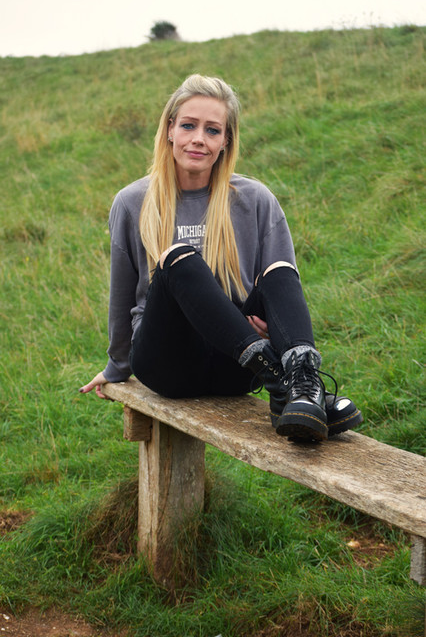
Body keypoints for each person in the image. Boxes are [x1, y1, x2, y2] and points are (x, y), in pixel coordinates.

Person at [80, 74, 362, 441]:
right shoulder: (132, 202)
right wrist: (116, 368)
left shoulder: (254, 199)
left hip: (238, 367)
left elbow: (281, 293)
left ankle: (300, 385)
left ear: (226, 140)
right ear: (170, 129)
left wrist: (271, 330)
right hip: (168, 364)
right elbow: (121, 297)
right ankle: (284, 381)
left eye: (212, 130)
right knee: (179, 258)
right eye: (188, 125)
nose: (199, 138)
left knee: (280, 269)